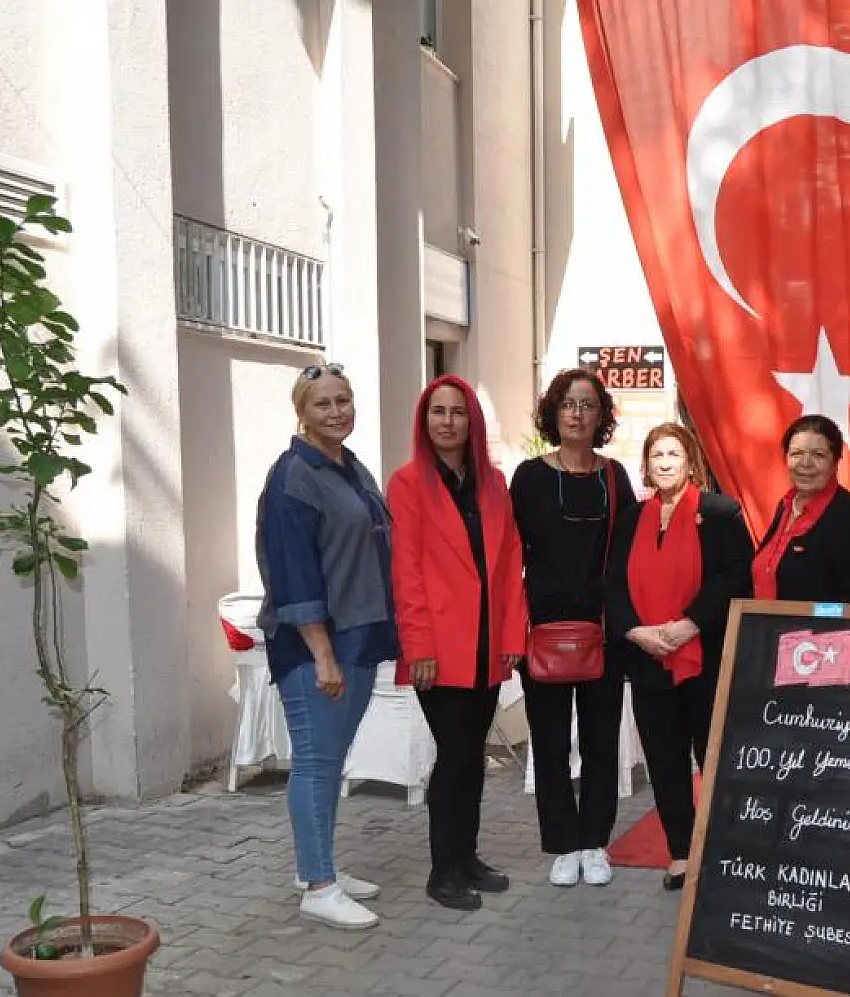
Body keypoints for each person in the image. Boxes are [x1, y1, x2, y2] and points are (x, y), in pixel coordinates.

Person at [256, 363, 399, 931]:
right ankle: (318, 887)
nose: (337, 411)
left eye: (344, 400)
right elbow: (292, 572)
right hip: (319, 646)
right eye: (323, 404)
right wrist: (320, 652)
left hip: (358, 635)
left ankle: (319, 866)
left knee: (331, 759)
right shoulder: (294, 476)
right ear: (302, 411)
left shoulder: (347, 466)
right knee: (316, 762)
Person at [387, 375, 526, 912]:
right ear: (424, 422)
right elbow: (407, 572)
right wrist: (417, 646)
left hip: (487, 642)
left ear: (473, 421)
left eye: (457, 412)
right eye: (437, 412)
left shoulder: (492, 483)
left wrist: (513, 634)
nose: (447, 421)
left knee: (471, 758)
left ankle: (468, 858)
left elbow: (511, 563)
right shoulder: (407, 484)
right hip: (439, 646)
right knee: (456, 754)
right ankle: (443, 870)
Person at [605, 423, 752, 891]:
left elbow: (734, 576)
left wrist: (690, 622)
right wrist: (636, 630)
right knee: (665, 760)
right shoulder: (630, 518)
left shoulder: (721, 512)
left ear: (691, 460)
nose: (665, 462)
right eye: (656, 454)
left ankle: (730, 849)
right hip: (648, 657)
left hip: (704, 656)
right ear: (646, 465)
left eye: (674, 453)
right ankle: (682, 852)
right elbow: (612, 583)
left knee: (715, 758)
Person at [510, 370, 639, 888]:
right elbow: (509, 556)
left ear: (601, 415)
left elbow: (631, 556)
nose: (577, 414)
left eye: (587, 405)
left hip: (602, 631)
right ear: (553, 412)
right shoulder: (529, 477)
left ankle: (594, 841)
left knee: (602, 740)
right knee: (551, 741)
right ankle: (562, 843)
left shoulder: (615, 477)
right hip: (542, 629)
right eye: (567, 404)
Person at [752, 415, 850, 605]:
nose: (805, 463)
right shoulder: (786, 505)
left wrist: (819, 624)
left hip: (816, 633)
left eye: (818, 455)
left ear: (835, 462)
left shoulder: (848, 513)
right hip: (768, 631)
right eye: (796, 454)